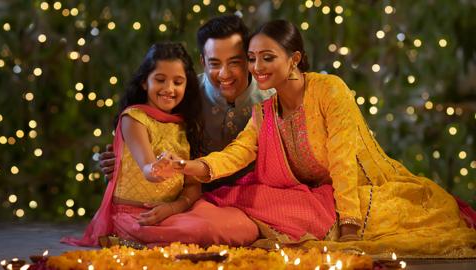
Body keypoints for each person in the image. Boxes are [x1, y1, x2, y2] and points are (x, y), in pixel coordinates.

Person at [162, 20, 476, 256]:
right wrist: (187, 167)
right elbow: (237, 153)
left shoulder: (329, 90)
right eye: (253, 58)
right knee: (245, 198)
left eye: (267, 58)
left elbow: (342, 161)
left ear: (294, 58)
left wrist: (350, 226)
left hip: (358, 192)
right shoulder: (266, 109)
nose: (257, 67)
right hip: (310, 194)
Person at [62, 42, 258, 247]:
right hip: (139, 216)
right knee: (207, 230)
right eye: (160, 80)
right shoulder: (134, 118)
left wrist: (174, 207)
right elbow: (148, 168)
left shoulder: (184, 124)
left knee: (243, 225)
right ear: (145, 82)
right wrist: (161, 167)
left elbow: (192, 186)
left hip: (173, 210)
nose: (169, 89)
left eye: (177, 82)